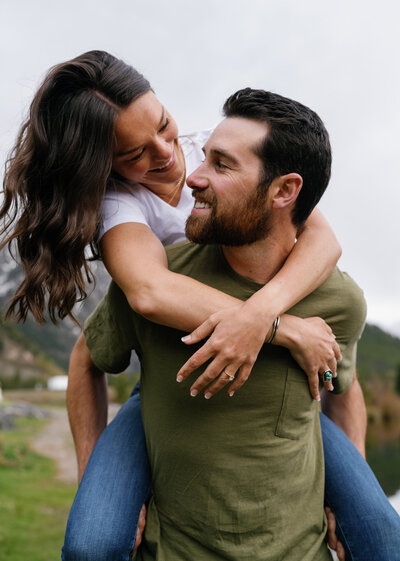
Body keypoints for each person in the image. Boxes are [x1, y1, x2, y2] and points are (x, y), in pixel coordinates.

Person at [1, 52, 397, 559]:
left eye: (164, 124)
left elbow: (321, 236)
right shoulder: (122, 206)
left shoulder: (217, 150)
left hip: (286, 390)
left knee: (382, 534)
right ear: (106, 166)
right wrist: (286, 328)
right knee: (92, 541)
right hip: (164, 381)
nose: (170, 157)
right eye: (134, 153)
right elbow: (147, 291)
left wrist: (262, 316)